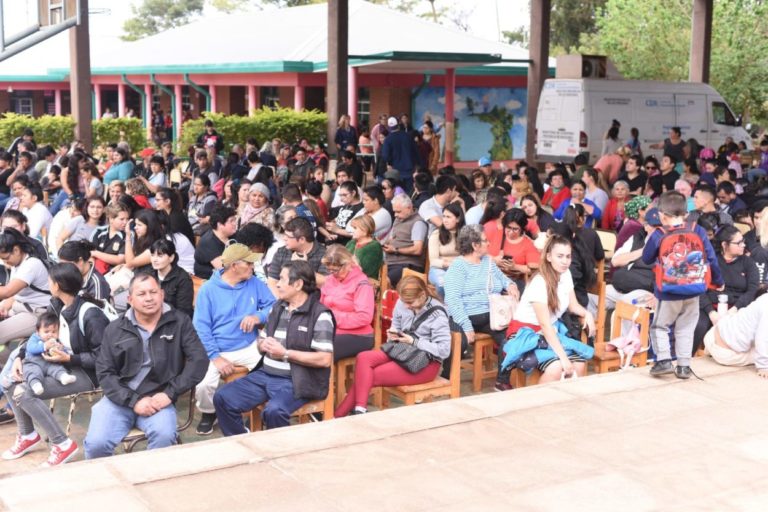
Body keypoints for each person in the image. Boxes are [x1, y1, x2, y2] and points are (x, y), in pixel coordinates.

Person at [84, 273, 207, 458]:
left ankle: (152, 482)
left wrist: (170, 393)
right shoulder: (115, 329)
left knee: (164, 436)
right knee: (96, 445)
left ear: (162, 294)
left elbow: (199, 360)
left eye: (153, 292)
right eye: (141, 294)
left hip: (159, 399)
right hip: (119, 399)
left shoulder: (179, 322)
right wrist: (133, 401)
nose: (149, 298)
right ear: (130, 299)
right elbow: (105, 372)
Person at [1, 262, 108, 466]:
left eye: (50, 280)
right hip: (63, 365)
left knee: (23, 392)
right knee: (10, 381)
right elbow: (37, 334)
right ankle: (28, 435)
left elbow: (103, 358)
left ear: (57, 285)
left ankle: (62, 444)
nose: (48, 283)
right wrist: (19, 357)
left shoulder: (90, 314)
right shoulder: (58, 304)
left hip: (89, 373)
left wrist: (69, 359)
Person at [213, 260, 335, 433]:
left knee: (274, 411)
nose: (277, 284)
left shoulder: (320, 315)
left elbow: (324, 359)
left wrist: (285, 353)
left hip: (297, 380)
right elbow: (261, 340)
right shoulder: (278, 307)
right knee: (223, 398)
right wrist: (263, 344)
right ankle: (243, 442)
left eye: (282, 279)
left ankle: (279, 455)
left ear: (298, 284)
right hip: (266, 374)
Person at [334, 275, 451, 416]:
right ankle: (358, 410)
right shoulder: (402, 302)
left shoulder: (437, 314)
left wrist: (414, 341)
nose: (406, 306)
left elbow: (444, 351)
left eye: (410, 303)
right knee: (363, 357)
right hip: (402, 350)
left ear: (422, 295)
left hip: (424, 364)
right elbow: (396, 325)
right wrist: (393, 334)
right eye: (403, 301)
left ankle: (341, 415)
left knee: (370, 375)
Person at [192, 243, 275, 435]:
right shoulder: (208, 290)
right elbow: (201, 327)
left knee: (270, 370)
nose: (253, 267)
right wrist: (216, 357)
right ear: (234, 265)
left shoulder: (253, 282)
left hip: (248, 345)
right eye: (249, 263)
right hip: (218, 348)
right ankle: (209, 412)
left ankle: (249, 409)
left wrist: (258, 316)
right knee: (204, 385)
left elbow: (273, 305)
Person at [641, 191, 724, 379]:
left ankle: (663, 361)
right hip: (694, 290)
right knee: (686, 327)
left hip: (668, 291)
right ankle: (684, 366)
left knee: (660, 326)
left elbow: (646, 258)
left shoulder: (660, 233)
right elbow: (711, 258)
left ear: (662, 214)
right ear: (686, 212)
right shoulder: (697, 230)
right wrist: (718, 281)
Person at [507, 235, 596, 384]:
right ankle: (539, 405)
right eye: (559, 256)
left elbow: (573, 306)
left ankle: (567, 405)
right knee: (557, 367)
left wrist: (588, 314)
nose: (565, 261)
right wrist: (563, 357)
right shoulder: (539, 282)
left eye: (568, 256)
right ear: (548, 256)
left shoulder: (566, 274)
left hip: (551, 332)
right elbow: (545, 325)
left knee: (579, 365)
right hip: (526, 334)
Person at [444, 225, 519, 391]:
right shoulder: (458, 267)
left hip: (490, 316)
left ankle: (502, 380)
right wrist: (467, 326)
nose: (489, 243)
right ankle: (445, 377)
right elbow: (453, 300)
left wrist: (511, 285)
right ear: (474, 245)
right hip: (463, 315)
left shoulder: (487, 262)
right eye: (485, 240)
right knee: (460, 343)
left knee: (512, 339)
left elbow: (503, 278)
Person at [693, 225, 759, 353]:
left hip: (737, 307)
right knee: (699, 325)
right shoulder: (711, 261)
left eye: (743, 241)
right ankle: (688, 360)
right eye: (738, 243)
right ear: (724, 244)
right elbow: (699, 288)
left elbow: (752, 290)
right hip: (710, 305)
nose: (743, 245)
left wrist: (735, 308)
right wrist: (711, 312)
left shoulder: (748, 262)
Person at [320, 245, 375, 361]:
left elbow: (364, 317)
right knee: (302, 339)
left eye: (335, 270)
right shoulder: (329, 280)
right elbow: (321, 306)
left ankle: (320, 379)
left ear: (347, 264)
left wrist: (333, 317)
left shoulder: (361, 283)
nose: (332, 273)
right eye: (328, 269)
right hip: (332, 329)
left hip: (359, 335)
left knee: (321, 347)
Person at [0, 229, 51, 352]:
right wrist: (3, 306)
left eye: (6, 258)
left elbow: (7, 291)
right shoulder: (18, 263)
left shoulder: (31, 264)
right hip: (20, 307)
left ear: (16, 250)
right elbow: (13, 293)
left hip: (38, 314)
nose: (5, 262)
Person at [703, 290, 768, 378]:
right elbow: (762, 339)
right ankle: (713, 351)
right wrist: (763, 367)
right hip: (725, 354)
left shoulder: (764, 297)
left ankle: (710, 349)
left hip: (712, 334)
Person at [21, 313, 78, 396]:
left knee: (57, 368)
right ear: (38, 331)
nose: (50, 334)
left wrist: (61, 349)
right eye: (46, 331)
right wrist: (44, 346)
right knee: (33, 372)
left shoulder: (57, 341)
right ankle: (36, 385)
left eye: (54, 332)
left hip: (49, 363)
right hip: (33, 363)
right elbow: (30, 348)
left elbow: (64, 353)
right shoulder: (35, 338)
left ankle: (63, 377)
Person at [267, 216, 328, 292]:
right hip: (283, 299)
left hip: (312, 300)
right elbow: (272, 281)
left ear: (302, 239)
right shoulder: (282, 252)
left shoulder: (323, 254)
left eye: (288, 236)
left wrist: (303, 267)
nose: (284, 238)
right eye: (284, 235)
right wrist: (280, 300)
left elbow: (326, 283)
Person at [381, 194, 428, 287]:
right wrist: (383, 244)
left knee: (385, 282)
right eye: (394, 212)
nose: (395, 215)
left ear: (409, 208)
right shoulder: (399, 219)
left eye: (398, 212)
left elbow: (417, 249)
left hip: (409, 265)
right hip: (391, 263)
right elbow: (391, 239)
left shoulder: (418, 223)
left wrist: (395, 250)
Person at [497, 208, 540, 289]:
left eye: (515, 229)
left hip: (517, 281)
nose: (511, 232)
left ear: (522, 228)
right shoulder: (497, 235)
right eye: (508, 227)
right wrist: (495, 260)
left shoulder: (528, 244)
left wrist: (515, 267)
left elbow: (534, 269)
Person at [150, 239, 194, 318]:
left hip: (172, 321)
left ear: (171, 257)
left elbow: (183, 311)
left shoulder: (182, 279)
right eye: (152, 255)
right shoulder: (149, 275)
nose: (154, 260)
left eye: (160, 256)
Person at [428, 203, 463, 297]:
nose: (445, 220)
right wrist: (448, 264)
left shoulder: (464, 234)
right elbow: (433, 260)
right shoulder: (436, 234)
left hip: (460, 269)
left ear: (458, 219)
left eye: (448, 217)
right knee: (443, 284)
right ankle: (443, 308)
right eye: (443, 216)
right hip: (439, 269)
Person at [193, 205, 237, 279]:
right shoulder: (208, 242)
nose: (235, 223)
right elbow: (225, 270)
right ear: (219, 224)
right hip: (208, 280)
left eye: (235, 220)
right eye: (231, 221)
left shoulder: (232, 235)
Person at [381, 117, 420, 192]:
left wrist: (389, 162)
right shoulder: (408, 136)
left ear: (389, 127)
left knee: (398, 193)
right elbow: (416, 152)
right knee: (409, 192)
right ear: (398, 125)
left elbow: (385, 156)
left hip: (395, 171)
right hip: (409, 169)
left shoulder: (388, 139)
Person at [90, 203, 129, 274]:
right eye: (122, 219)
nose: (125, 222)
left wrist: (96, 253)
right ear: (111, 219)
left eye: (127, 219)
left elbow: (120, 260)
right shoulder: (99, 231)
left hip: (115, 273)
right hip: (95, 270)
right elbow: (90, 254)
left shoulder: (128, 234)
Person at [323, 181, 363, 246]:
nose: (341, 199)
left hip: (347, 245)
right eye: (340, 195)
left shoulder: (361, 210)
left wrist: (337, 230)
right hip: (336, 241)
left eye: (344, 195)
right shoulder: (346, 206)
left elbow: (356, 232)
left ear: (353, 193)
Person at [345, 215, 383, 279]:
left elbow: (366, 271)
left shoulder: (374, 247)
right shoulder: (352, 243)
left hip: (365, 282)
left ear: (365, 230)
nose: (352, 231)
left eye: (355, 228)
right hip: (347, 277)